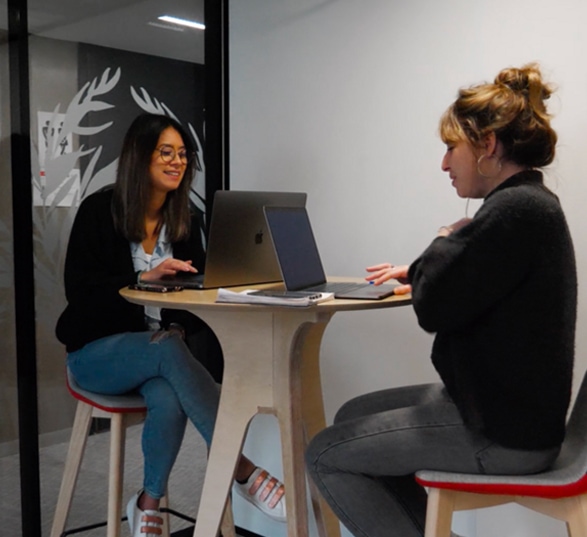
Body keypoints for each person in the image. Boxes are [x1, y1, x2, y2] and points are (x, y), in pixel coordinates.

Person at [305, 64, 577, 537]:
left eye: (451, 148)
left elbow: (434, 308)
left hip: (503, 434)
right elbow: (467, 283)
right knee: (352, 415)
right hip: (510, 416)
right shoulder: (527, 205)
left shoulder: (516, 211)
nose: (445, 164)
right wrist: (422, 270)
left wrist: (441, 238)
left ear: (487, 145)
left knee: (325, 455)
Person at [56, 113, 286, 537]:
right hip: (96, 354)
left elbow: (188, 302)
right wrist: (143, 278)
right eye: (166, 152)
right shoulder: (98, 211)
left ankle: (147, 505)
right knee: (166, 348)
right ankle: (242, 468)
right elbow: (80, 291)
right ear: (139, 157)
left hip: (160, 357)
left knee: (168, 388)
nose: (177, 161)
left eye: (182, 154)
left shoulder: (185, 222)